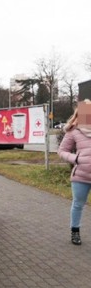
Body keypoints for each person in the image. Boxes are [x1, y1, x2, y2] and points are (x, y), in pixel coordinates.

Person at [58, 100, 91, 245]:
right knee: (78, 204)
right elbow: (61, 151)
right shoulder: (73, 131)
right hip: (81, 176)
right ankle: (75, 232)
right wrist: (75, 158)